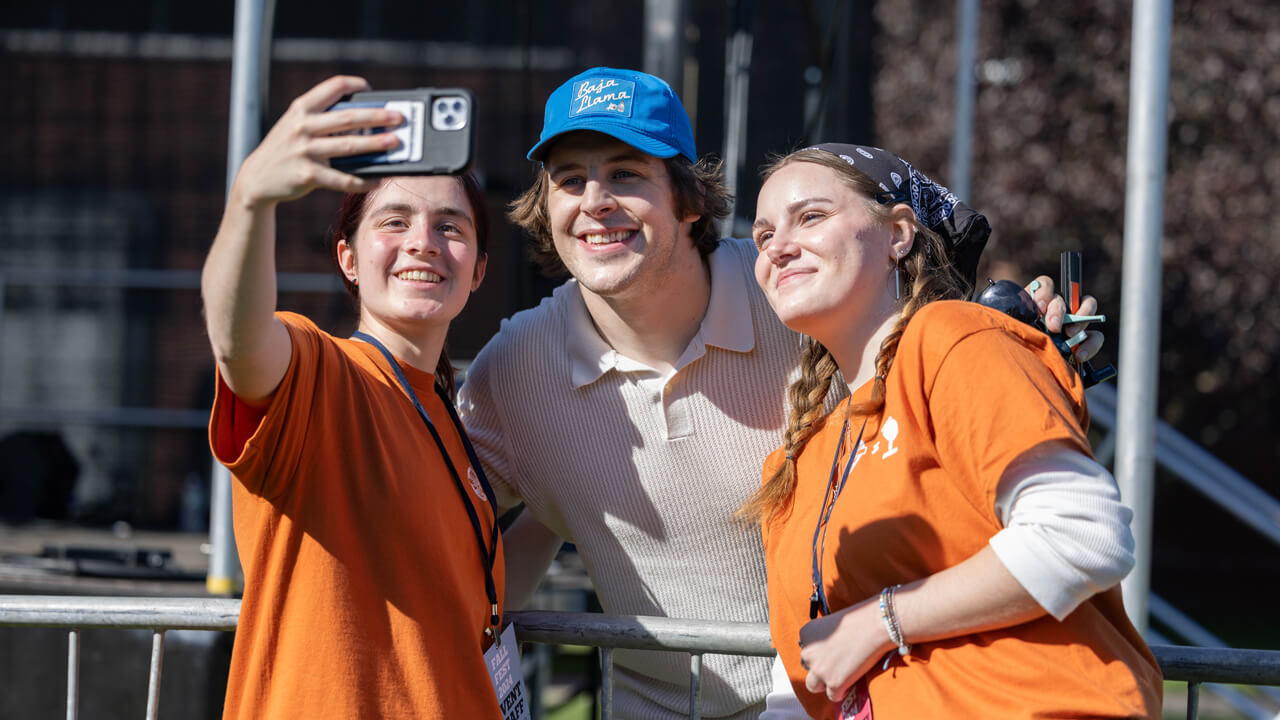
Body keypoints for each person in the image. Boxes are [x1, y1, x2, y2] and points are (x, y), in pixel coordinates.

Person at [459, 67, 1100, 718]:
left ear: (686, 198)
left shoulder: (795, 291)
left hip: (857, 703)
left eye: (626, 173)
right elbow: (444, 532)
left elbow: (940, 382)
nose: (594, 201)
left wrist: (1025, 346)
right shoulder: (513, 369)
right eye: (570, 180)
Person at [746, 143, 1162, 718]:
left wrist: (879, 621)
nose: (779, 247)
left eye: (811, 217)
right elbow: (798, 687)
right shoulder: (797, 461)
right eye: (763, 236)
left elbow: (1082, 535)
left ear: (898, 233)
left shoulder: (952, 337)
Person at [201, 75, 504, 719]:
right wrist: (251, 199)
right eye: (395, 222)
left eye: (450, 226)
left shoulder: (453, 423)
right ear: (347, 258)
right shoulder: (322, 376)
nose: (423, 241)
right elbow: (238, 340)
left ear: (478, 269)